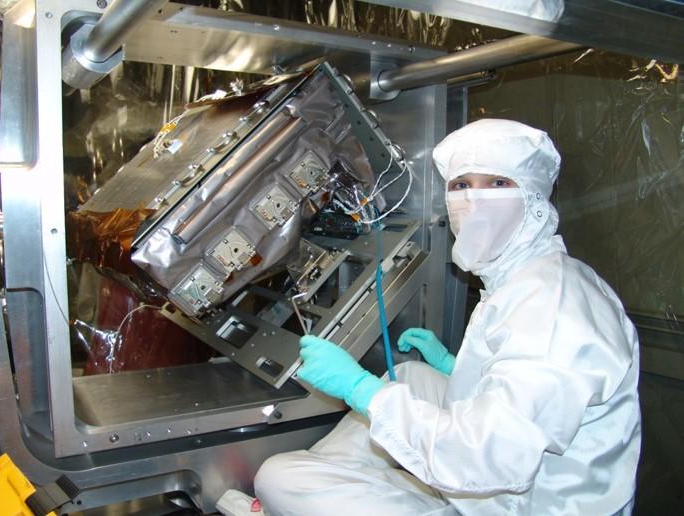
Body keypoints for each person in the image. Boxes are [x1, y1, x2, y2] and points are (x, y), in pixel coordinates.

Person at [253, 119, 641, 515]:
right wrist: (460, 369)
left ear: (534, 197)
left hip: (532, 501)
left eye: (498, 184)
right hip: (512, 470)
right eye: (461, 185)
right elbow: (532, 390)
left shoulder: (555, 302)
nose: (475, 200)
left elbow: (493, 454)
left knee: (280, 478)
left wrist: (359, 387)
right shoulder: (525, 275)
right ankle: (337, 478)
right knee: (411, 376)